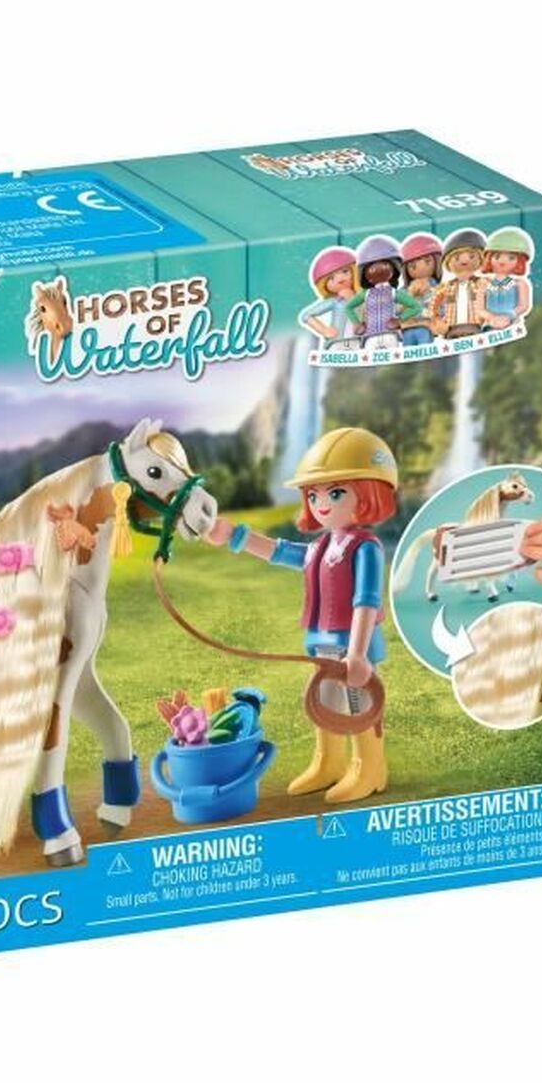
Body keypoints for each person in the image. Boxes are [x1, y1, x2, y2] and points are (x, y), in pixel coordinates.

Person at [207, 428, 398, 803]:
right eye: (313, 495)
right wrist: (234, 536)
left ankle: (370, 767)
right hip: (321, 644)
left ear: (369, 493)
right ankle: (329, 762)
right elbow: (280, 552)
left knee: (360, 704)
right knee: (323, 702)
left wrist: (358, 654)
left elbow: (366, 602)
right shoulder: (322, 546)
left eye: (335, 493)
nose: (322, 504)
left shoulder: (366, 548)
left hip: (351, 647)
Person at [298, 247, 361, 350]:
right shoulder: (335, 302)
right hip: (338, 342)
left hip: (358, 342)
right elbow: (306, 316)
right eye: (331, 278)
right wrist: (324, 330)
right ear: (324, 285)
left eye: (345, 271)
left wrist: (352, 298)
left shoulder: (362, 297)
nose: (340, 278)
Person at [481, 226, 534, 329]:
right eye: (497, 257)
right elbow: (479, 308)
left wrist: (509, 316)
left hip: (512, 323)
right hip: (490, 324)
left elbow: (523, 306)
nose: (502, 261)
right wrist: (491, 318)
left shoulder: (519, 284)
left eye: (511, 258)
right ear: (489, 258)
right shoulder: (484, 283)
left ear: (520, 261)